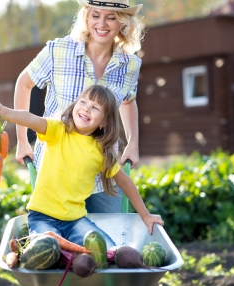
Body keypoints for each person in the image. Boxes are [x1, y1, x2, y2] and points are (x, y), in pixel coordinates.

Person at [0, 85, 164, 247]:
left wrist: (146, 215)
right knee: (45, 248)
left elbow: (125, 183)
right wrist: (4, 112)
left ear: (104, 122)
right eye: (83, 102)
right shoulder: (58, 130)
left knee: (107, 250)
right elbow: (30, 118)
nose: (86, 108)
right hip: (42, 217)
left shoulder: (101, 152)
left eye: (95, 108)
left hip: (75, 221)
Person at [13, 0, 144, 213]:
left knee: (109, 239)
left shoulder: (130, 65)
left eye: (111, 17)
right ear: (86, 17)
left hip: (103, 171)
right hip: (58, 171)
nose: (102, 23)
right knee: (62, 240)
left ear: (123, 22)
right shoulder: (58, 50)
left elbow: (129, 101)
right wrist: (22, 140)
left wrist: (133, 143)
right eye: (95, 15)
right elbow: (24, 83)